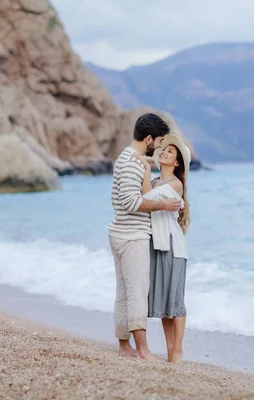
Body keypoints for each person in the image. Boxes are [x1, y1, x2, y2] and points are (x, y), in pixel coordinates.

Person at [107, 113, 182, 360]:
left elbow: (120, 199)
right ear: (148, 138)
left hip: (121, 232)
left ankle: (124, 345)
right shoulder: (131, 161)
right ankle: (142, 350)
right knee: (137, 292)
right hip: (131, 235)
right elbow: (130, 202)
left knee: (125, 292)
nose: (159, 146)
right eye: (158, 141)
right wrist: (163, 206)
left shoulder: (130, 159)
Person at [133, 134, 191, 363]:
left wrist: (145, 168)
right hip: (157, 246)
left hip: (172, 247)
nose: (164, 152)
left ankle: (177, 348)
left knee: (175, 302)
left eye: (170, 151)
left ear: (176, 163)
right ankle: (170, 349)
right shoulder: (157, 181)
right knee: (166, 303)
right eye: (164, 149)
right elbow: (142, 200)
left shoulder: (176, 184)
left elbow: (145, 198)